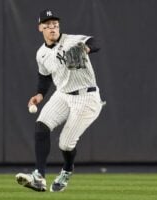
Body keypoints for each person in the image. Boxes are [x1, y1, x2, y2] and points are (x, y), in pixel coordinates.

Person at [15, 9, 104, 192]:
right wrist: (39, 95)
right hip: (63, 94)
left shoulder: (72, 40)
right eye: (48, 26)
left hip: (86, 97)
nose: (53, 29)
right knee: (41, 125)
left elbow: (96, 42)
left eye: (55, 25)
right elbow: (45, 76)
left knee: (65, 144)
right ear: (40, 28)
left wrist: (86, 48)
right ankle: (39, 177)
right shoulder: (41, 53)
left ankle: (67, 170)